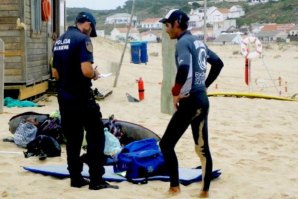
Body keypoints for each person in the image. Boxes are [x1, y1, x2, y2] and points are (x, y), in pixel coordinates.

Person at [159, 9, 224, 198]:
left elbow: (185, 68)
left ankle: (174, 187)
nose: (166, 29)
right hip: (202, 100)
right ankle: (204, 192)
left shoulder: (183, 43)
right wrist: (203, 86)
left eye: (167, 25)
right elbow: (218, 63)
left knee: (166, 145)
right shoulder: (198, 41)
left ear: (176, 24)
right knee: (202, 148)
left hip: (190, 101)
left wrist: (176, 93)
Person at [52, 12, 118, 190]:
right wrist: (95, 73)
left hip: (64, 97)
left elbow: (55, 73)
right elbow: (87, 71)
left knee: (73, 139)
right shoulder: (82, 40)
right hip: (81, 96)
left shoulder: (59, 41)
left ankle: (75, 178)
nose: (90, 34)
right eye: (91, 29)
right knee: (96, 135)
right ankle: (96, 179)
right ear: (87, 24)